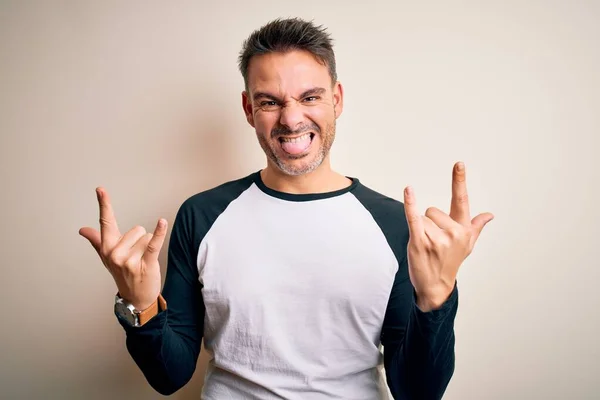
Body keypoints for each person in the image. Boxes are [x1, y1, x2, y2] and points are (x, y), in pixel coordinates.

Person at [79, 17, 493, 400]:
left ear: (337, 99)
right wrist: (141, 305)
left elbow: (417, 393)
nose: (292, 120)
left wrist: (437, 298)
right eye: (270, 102)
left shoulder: (394, 226)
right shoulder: (202, 216)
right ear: (248, 109)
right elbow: (169, 376)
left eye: (310, 97)